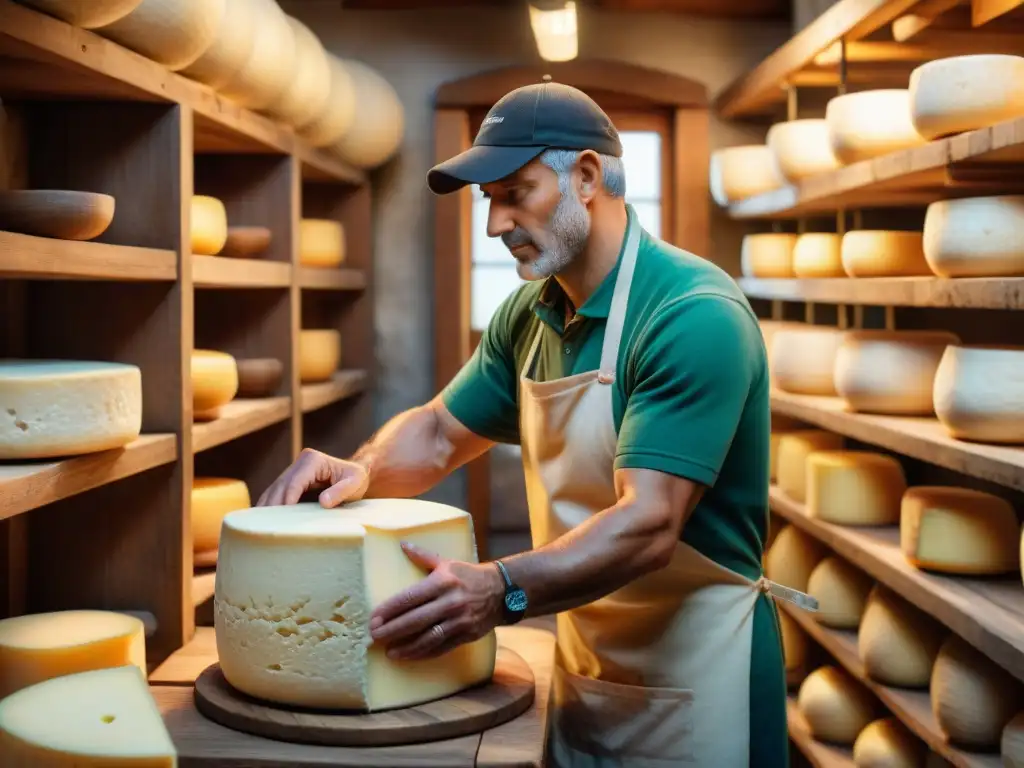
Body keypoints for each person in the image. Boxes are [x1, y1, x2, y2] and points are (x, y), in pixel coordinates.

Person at [258, 80, 811, 767]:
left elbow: (648, 526)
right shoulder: (528, 317)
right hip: (585, 669)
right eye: (489, 201)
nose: (495, 224)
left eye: (515, 193)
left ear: (583, 178)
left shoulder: (692, 316)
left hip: (703, 681)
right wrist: (362, 470)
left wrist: (498, 586)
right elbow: (436, 433)